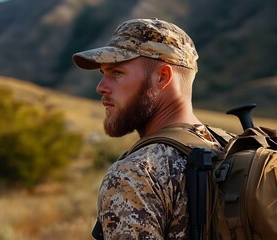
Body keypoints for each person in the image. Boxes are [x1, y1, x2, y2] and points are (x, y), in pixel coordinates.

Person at [72, 18, 223, 239]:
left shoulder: (136, 174)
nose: (101, 87)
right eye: (102, 73)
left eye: (116, 73)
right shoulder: (228, 146)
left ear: (162, 77)